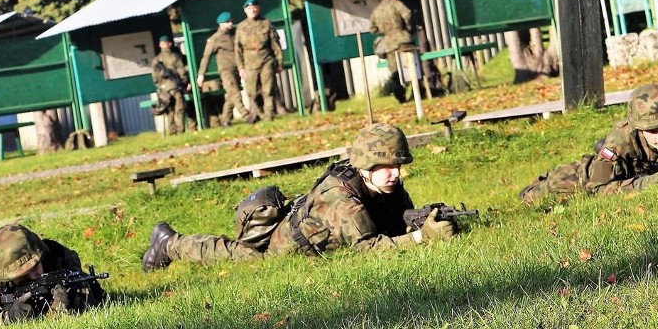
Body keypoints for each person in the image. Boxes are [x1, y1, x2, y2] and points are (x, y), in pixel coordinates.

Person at [141, 123, 458, 271]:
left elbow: (392, 219)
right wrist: (421, 238)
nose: (396, 174)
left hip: (308, 224)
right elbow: (367, 248)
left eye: (398, 166)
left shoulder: (382, 183)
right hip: (283, 247)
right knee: (234, 255)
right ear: (367, 165)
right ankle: (168, 242)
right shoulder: (344, 202)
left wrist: (425, 218)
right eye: (387, 167)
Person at [519, 84, 658, 202]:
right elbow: (597, 188)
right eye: (652, 130)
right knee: (534, 196)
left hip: (637, 172)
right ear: (638, 127)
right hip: (584, 176)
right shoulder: (620, 140)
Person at [235, 0, 284, 122]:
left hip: (266, 59)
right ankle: (259, 113)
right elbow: (238, 50)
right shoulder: (241, 27)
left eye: (255, 7)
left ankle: (268, 115)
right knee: (252, 92)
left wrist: (279, 62)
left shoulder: (266, 23)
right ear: (245, 10)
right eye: (250, 8)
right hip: (249, 63)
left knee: (268, 89)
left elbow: (275, 44)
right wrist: (240, 67)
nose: (253, 10)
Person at [197, 11, 250, 127]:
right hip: (226, 71)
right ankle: (247, 116)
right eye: (227, 22)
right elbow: (206, 57)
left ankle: (225, 120)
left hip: (237, 69)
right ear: (221, 24)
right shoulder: (215, 39)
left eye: (231, 21)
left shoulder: (233, 35)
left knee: (231, 96)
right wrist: (201, 74)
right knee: (235, 94)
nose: (230, 24)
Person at [370, 0, 415, 104]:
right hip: (403, 40)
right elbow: (407, 13)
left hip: (388, 44)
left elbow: (373, 28)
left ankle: (400, 97)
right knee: (411, 67)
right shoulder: (396, 4)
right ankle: (416, 92)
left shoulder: (376, 10)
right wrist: (408, 27)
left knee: (395, 71)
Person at [151, 34, 196, 134]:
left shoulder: (156, 60)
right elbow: (182, 72)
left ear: (160, 45)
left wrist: (161, 86)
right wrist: (184, 83)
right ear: (170, 44)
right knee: (179, 108)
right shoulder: (175, 57)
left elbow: (155, 78)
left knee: (169, 110)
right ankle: (180, 130)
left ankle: (172, 131)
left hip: (163, 90)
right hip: (176, 88)